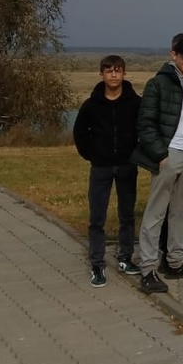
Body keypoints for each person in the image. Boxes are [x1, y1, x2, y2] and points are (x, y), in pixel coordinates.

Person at [131, 34, 183, 294]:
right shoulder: (158, 83)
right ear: (173, 55)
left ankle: (175, 262)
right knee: (156, 212)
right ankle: (148, 269)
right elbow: (145, 123)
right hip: (169, 153)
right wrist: (160, 154)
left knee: (182, 210)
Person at [73, 55, 142, 288]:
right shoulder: (91, 105)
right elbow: (80, 133)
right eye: (109, 71)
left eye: (118, 71)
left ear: (124, 74)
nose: (113, 75)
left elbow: (143, 129)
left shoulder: (135, 103)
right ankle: (96, 262)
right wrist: (92, 154)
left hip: (126, 165)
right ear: (101, 74)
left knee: (127, 214)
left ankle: (125, 257)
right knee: (97, 216)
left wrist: (135, 153)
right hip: (100, 167)